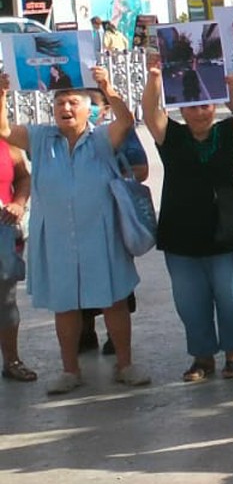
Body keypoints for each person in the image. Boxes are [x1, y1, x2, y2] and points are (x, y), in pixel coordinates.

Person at [0, 67, 147, 392]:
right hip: (57, 239)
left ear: (87, 108)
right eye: (60, 103)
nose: (65, 109)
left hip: (102, 235)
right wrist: (2, 94)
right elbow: (5, 130)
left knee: (114, 302)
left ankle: (125, 365)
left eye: (72, 103)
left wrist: (107, 86)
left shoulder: (101, 137)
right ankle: (70, 371)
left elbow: (125, 121)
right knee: (64, 306)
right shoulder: (40, 137)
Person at [143, 60, 233, 382]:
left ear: (214, 105)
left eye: (206, 104)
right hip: (181, 233)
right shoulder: (172, 137)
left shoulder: (227, 133)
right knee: (190, 302)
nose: (200, 112)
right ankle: (202, 357)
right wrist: (154, 80)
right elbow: (151, 114)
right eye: (192, 107)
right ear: (181, 109)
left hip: (227, 232)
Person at [0, 132, 30, 382]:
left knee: (5, 300)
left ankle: (12, 360)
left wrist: (19, 203)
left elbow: (22, 178)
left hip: (3, 231)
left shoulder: (6, 142)